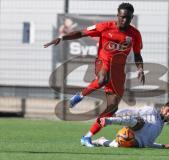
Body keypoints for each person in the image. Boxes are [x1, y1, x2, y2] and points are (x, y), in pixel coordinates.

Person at [44, 2, 145, 146]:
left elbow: (137, 54)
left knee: (112, 108)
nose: (124, 20)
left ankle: (87, 137)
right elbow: (81, 32)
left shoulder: (135, 34)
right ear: (117, 15)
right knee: (103, 78)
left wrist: (140, 69)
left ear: (131, 17)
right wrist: (62, 38)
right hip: (102, 63)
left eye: (128, 18)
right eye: (122, 17)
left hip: (118, 73)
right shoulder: (105, 27)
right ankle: (80, 95)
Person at [92, 102, 169, 148]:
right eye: (168, 110)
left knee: (118, 145)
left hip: (133, 142)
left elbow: (148, 143)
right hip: (131, 129)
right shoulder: (151, 111)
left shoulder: (160, 126)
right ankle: (109, 121)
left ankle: (101, 141)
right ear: (162, 108)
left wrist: (162, 146)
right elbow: (132, 111)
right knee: (139, 122)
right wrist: (115, 114)